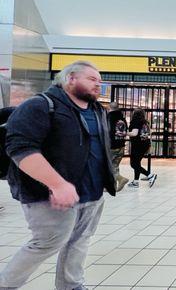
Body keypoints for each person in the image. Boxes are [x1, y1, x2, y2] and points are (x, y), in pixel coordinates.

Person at [0, 61, 116, 290]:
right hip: (47, 194)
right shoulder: (40, 105)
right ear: (71, 78)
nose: (98, 86)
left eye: (100, 82)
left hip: (91, 193)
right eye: (92, 79)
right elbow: (20, 148)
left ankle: (71, 285)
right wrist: (58, 184)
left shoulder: (97, 111)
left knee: (80, 241)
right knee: (46, 242)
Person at [126, 108, 157, 188]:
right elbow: (149, 132)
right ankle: (136, 182)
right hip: (144, 144)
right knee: (137, 163)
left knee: (133, 164)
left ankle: (150, 175)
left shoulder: (135, 121)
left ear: (135, 114)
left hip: (137, 145)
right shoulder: (145, 122)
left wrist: (124, 133)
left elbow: (134, 133)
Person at [107, 102, 129, 191]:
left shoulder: (108, 118)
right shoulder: (123, 119)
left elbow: (106, 131)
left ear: (109, 108)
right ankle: (113, 186)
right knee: (115, 165)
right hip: (121, 146)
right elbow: (125, 131)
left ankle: (121, 179)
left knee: (108, 167)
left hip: (112, 146)